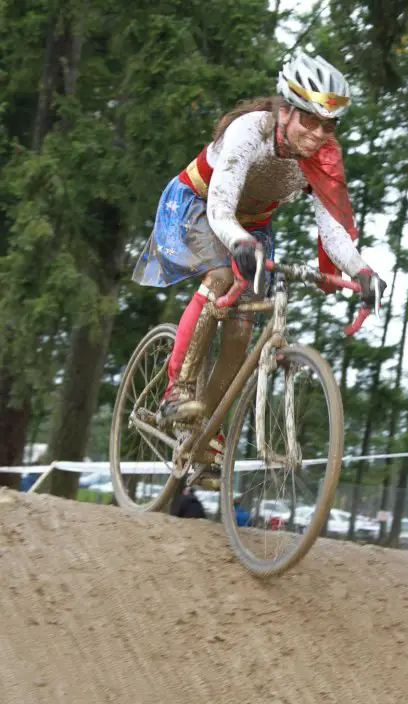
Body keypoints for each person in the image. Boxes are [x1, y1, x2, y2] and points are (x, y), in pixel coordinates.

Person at [133, 51, 386, 489]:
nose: (319, 134)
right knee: (221, 278)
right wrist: (237, 246)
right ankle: (176, 390)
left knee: (243, 326)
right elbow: (220, 205)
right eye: (309, 120)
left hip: (253, 226)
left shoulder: (322, 157)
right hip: (199, 203)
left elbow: (334, 230)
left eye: (329, 125)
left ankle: (203, 433)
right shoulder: (250, 130)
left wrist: (363, 272)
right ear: (285, 110)